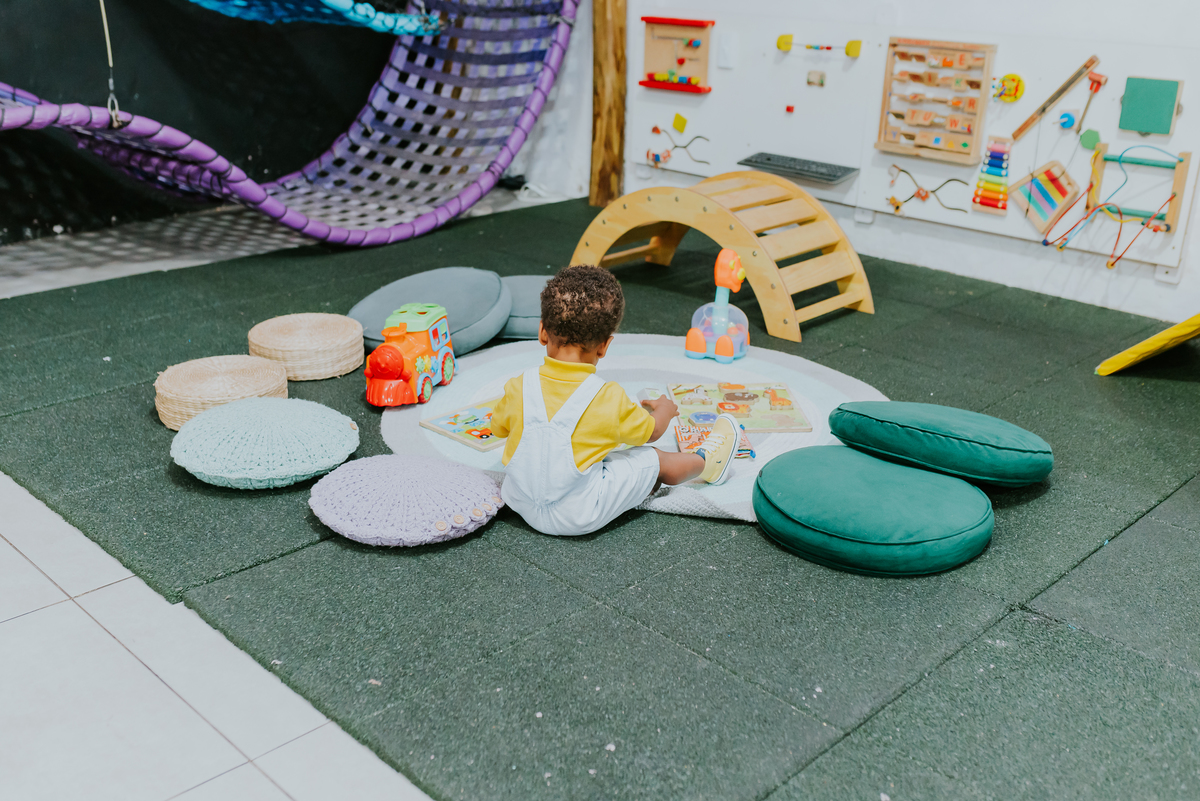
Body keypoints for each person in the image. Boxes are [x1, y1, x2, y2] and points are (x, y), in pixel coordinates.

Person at [490, 265, 740, 536]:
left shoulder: (518, 386)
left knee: (600, 454)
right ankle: (708, 463)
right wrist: (665, 410)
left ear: (542, 331)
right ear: (604, 346)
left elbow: (498, 428)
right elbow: (652, 432)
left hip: (522, 503)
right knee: (654, 459)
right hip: (579, 514)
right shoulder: (606, 397)